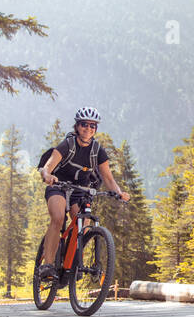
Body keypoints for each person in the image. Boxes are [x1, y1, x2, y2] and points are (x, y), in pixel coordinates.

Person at [36, 106, 130, 279]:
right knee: (57, 218)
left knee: (83, 226)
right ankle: (48, 265)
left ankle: (71, 262)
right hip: (59, 186)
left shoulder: (97, 150)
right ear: (77, 126)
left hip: (80, 190)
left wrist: (119, 192)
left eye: (92, 126)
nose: (88, 129)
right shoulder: (68, 144)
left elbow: (108, 178)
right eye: (84, 124)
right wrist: (47, 175)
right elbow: (48, 165)